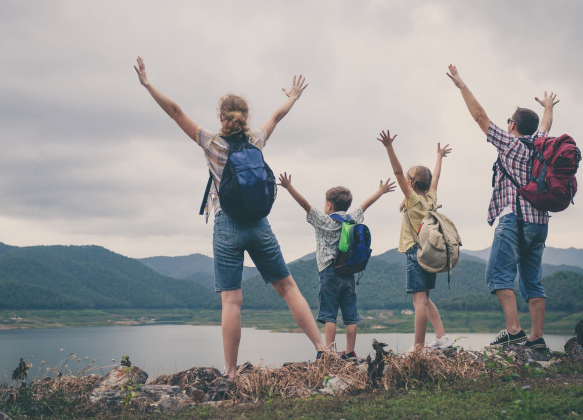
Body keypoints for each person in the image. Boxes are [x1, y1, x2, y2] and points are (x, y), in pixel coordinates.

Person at [134, 56, 325, 378]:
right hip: (259, 224)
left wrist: (148, 84)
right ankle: (323, 350)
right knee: (288, 287)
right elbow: (277, 115)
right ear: (246, 117)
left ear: (221, 117)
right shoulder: (256, 140)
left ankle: (232, 371)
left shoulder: (212, 144)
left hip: (227, 225)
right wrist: (292, 96)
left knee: (232, 301)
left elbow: (175, 112)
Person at [445, 64, 559, 351]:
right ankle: (536, 338)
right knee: (533, 280)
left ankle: (514, 331)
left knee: (497, 275)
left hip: (514, 221)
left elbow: (479, 116)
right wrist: (548, 106)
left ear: (512, 125)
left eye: (509, 120)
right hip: (540, 223)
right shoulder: (540, 144)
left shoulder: (511, 144)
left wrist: (461, 85)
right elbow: (545, 125)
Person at [277, 173, 396, 360]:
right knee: (351, 315)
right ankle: (350, 352)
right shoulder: (352, 218)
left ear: (329, 205)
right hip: (348, 272)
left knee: (329, 315)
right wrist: (380, 191)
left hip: (328, 272)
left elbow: (305, 205)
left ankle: (330, 352)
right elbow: (365, 205)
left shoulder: (323, 221)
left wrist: (289, 187)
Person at [378, 130, 453, 352]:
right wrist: (439, 157)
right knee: (427, 299)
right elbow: (436, 178)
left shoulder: (412, 199)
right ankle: (441, 338)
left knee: (419, 302)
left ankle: (418, 349)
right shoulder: (431, 198)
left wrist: (389, 147)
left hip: (415, 252)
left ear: (410, 183)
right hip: (430, 252)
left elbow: (397, 171)